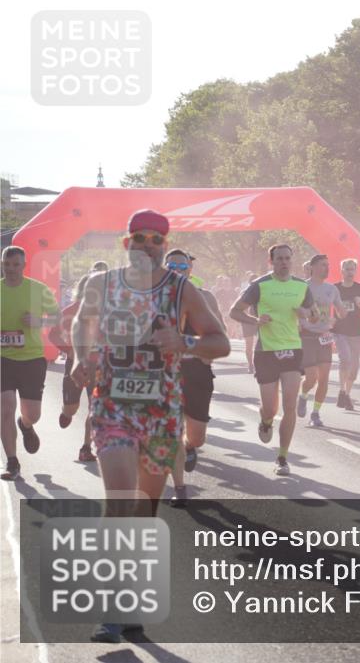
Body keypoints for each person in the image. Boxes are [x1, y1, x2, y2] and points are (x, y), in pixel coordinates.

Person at [70, 210, 228, 641]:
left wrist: (187, 342)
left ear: (164, 245)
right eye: (139, 238)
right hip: (113, 406)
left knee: (144, 510)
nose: (147, 245)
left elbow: (221, 342)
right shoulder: (102, 285)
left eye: (156, 239)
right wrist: (83, 356)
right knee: (120, 498)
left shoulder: (182, 290)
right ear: (127, 243)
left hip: (161, 411)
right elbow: (81, 322)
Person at [230, 244, 317, 476]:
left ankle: (282, 457)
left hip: (293, 349)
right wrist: (255, 320)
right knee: (270, 408)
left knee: (289, 406)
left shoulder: (301, 286)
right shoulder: (259, 285)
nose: (284, 262)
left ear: (293, 260)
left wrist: (305, 314)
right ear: (271, 262)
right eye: (279, 259)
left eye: (288, 258)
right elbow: (234, 312)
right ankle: (266, 421)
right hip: (266, 352)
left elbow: (315, 313)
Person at [164, 250, 226, 507]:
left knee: (197, 437)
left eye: (183, 265)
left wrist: (207, 352)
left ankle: (190, 448)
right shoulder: (156, 296)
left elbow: (218, 332)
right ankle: (180, 487)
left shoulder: (205, 296)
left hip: (197, 371)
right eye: (173, 265)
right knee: (172, 430)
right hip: (165, 372)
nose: (178, 268)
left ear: (190, 269)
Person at [1, 246, 60, 480]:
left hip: (32, 359)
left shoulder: (38, 290)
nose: (11, 269)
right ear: (2, 263)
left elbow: (58, 316)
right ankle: (12, 463)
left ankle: (25, 425)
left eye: (16, 264)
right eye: (7, 264)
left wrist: (39, 320)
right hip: (3, 358)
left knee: (32, 414)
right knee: (5, 407)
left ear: (23, 266)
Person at [51, 274, 97, 462]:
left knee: (95, 408)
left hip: (100, 365)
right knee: (71, 408)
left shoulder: (109, 312)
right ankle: (66, 412)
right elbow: (53, 335)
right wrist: (68, 350)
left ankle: (86, 447)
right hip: (75, 364)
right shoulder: (71, 311)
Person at [297, 254, 345, 428]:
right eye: (323, 265)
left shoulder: (332, 289)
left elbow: (341, 311)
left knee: (324, 378)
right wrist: (302, 319)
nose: (327, 268)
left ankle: (315, 413)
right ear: (313, 267)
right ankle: (303, 395)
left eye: (328, 265)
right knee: (311, 378)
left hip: (324, 337)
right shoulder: (303, 287)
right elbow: (293, 308)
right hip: (307, 335)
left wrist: (338, 316)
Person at [332, 259, 360, 411]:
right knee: (345, 359)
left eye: (352, 269)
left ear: (355, 271)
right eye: (347, 269)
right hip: (340, 331)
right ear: (341, 271)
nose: (350, 272)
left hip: (356, 332)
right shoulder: (335, 288)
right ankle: (341, 390)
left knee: (354, 369)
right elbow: (323, 304)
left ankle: (346, 394)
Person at [237, 271, 258, 373]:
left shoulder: (263, 291)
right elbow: (239, 308)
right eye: (252, 282)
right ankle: (250, 365)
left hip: (259, 321)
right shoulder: (244, 292)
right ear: (249, 283)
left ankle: (258, 364)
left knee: (260, 344)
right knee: (249, 345)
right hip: (247, 321)